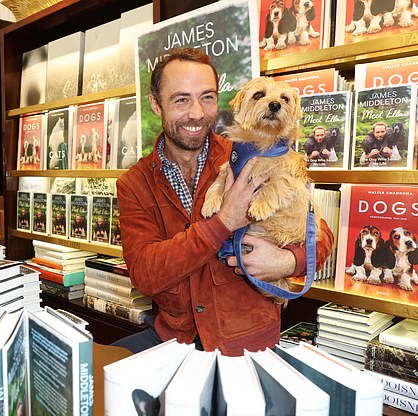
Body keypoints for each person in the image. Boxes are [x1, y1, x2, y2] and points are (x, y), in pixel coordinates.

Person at [115, 48, 334, 356]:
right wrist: (223, 223)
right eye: (181, 99)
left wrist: (286, 262)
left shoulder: (249, 153)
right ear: (155, 104)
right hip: (175, 342)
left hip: (247, 346)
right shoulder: (135, 184)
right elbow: (145, 274)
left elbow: (320, 234)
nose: (196, 113)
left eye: (207, 97)